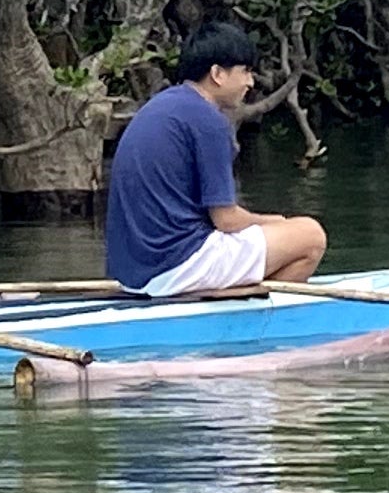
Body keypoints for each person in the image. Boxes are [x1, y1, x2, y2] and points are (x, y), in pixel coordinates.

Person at [103, 21, 327, 297]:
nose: (250, 82)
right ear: (218, 74)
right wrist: (275, 221)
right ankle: (252, 312)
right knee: (310, 235)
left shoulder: (160, 106)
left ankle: (237, 293)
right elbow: (226, 220)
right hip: (176, 267)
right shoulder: (208, 121)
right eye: (245, 71)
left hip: (132, 273)